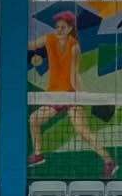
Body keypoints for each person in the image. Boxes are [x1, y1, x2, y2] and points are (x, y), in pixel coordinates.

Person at [28, 10, 117, 178]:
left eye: (63, 27)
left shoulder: (74, 46)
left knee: (83, 132)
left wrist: (82, 96)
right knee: (33, 120)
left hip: (70, 95)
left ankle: (109, 162)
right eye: (57, 27)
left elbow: (74, 75)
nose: (59, 30)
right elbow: (32, 45)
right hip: (54, 96)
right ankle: (38, 154)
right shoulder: (49, 39)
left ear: (70, 29)